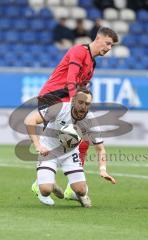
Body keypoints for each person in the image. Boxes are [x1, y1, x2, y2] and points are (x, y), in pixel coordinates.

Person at [35, 26, 118, 199]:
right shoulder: (79, 51)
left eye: (112, 46)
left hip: (66, 101)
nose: (109, 48)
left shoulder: (92, 63)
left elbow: (82, 88)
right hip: (52, 99)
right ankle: (41, 182)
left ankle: (72, 187)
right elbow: (71, 79)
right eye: (108, 43)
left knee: (83, 137)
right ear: (98, 38)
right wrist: (75, 106)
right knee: (65, 137)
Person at [25, 89, 116, 207]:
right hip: (48, 150)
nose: (83, 107)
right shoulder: (59, 108)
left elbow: (100, 149)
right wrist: (38, 145)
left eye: (87, 104)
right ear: (73, 101)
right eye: (80, 102)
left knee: (81, 190)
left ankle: (76, 194)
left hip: (70, 153)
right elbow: (30, 120)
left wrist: (103, 170)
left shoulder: (90, 120)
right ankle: (46, 185)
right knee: (45, 190)